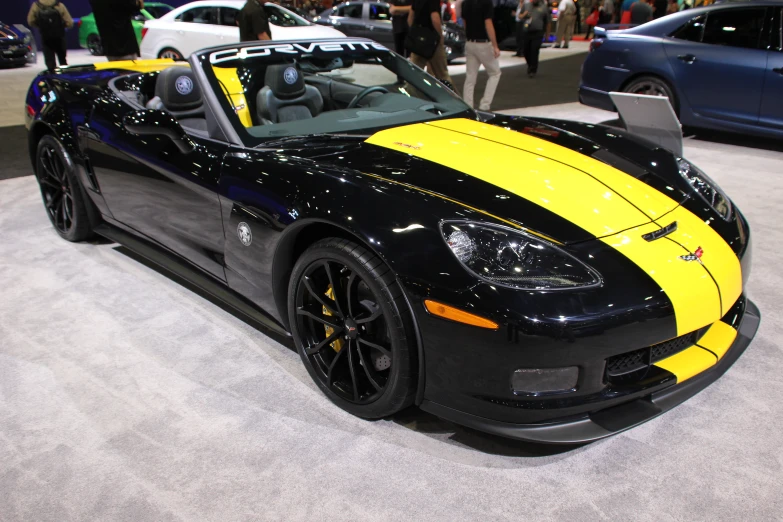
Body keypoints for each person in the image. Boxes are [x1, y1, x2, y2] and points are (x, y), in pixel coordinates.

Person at [408, 0, 457, 92]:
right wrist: (440, 37)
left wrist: (415, 33)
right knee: (443, 75)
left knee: (414, 74)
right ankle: (455, 101)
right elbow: (435, 18)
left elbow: (410, 17)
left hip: (418, 41)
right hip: (432, 41)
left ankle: (410, 99)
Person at [461, 0, 501, 111]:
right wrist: (495, 45)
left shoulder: (465, 3)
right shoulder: (486, 2)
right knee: (495, 73)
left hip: (470, 43)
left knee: (470, 77)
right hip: (483, 44)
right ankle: (485, 104)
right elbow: (488, 24)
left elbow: (464, 23)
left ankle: (467, 105)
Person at [27, 0, 73, 71]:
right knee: (62, 59)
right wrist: (61, 26)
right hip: (59, 36)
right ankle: (65, 75)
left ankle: (52, 75)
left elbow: (30, 21)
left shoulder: (36, 5)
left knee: (49, 60)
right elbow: (69, 23)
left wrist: (40, 25)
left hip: (46, 36)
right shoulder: (59, 5)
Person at [518, 0, 551, 77]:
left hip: (538, 33)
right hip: (526, 32)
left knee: (534, 50)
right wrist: (524, 15)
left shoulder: (544, 7)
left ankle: (533, 69)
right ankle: (530, 65)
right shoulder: (526, 5)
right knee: (526, 50)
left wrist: (547, 35)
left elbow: (548, 22)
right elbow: (519, 16)